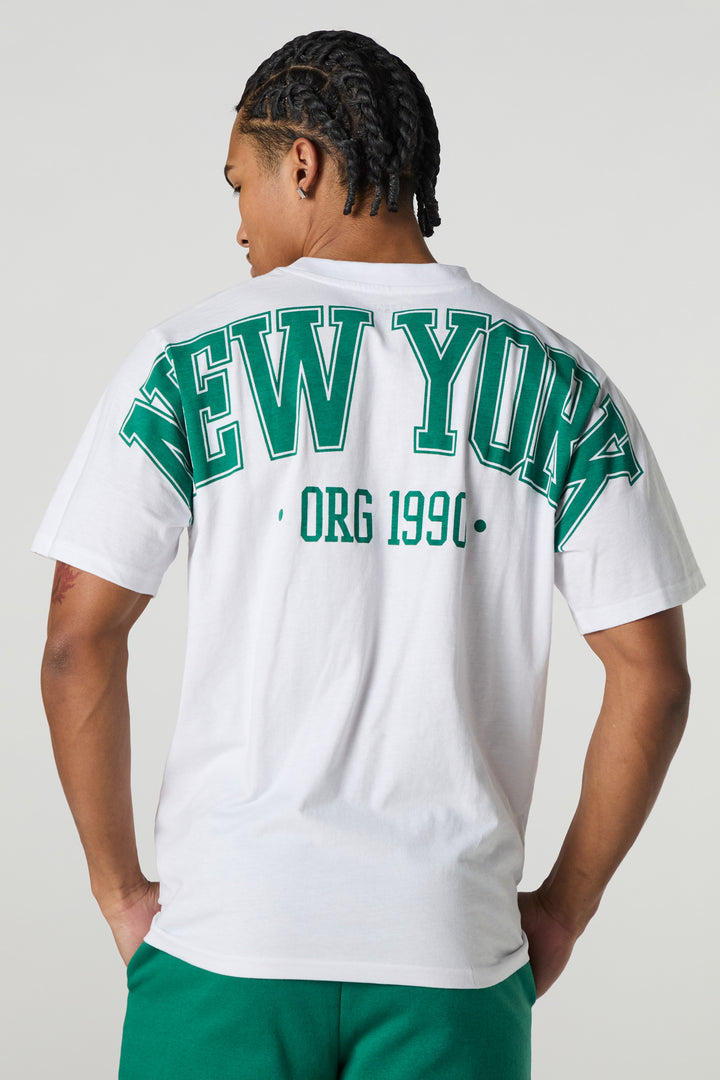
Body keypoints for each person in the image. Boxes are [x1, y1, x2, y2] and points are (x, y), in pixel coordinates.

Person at [32, 28, 705, 1080]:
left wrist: (120, 892)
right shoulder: (563, 382)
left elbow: (77, 641)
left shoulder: (185, 357)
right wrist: (563, 911)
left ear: (301, 164)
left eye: (239, 184)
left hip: (228, 943)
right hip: (451, 954)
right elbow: (654, 678)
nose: (238, 225)